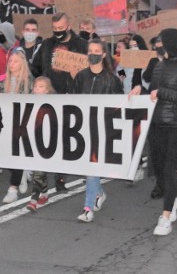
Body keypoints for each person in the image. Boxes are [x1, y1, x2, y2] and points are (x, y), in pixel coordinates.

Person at [145, 29, 177, 236]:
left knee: (169, 167)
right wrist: (141, 90)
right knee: (157, 167)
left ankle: (165, 217)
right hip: (156, 123)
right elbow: (152, 91)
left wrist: (161, 93)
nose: (159, 45)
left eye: (162, 42)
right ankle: (171, 198)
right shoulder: (158, 66)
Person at [31, 12, 88, 193]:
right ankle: (41, 182)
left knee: (65, 141)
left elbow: (90, 70)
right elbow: (35, 67)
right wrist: (42, 84)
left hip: (70, 98)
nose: (58, 32)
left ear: (69, 26)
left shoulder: (81, 45)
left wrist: (77, 76)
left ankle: (61, 178)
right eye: (55, 29)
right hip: (49, 99)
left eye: (61, 29)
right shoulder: (47, 45)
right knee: (47, 138)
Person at [74, 39, 123, 222]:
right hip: (83, 129)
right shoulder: (80, 76)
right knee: (88, 167)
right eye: (90, 50)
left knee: (91, 167)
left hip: (102, 130)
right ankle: (98, 193)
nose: (93, 53)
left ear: (103, 54)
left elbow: (118, 108)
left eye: (97, 51)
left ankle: (88, 208)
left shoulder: (112, 80)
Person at [0, 48, 32, 204]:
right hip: (6, 124)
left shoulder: (29, 82)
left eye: (16, 61)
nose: (12, 63)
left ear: (22, 63)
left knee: (16, 155)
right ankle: (22, 171)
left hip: (22, 125)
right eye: (10, 60)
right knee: (7, 156)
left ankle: (13, 188)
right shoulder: (1, 83)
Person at [26, 76, 56, 212]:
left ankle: (33, 200)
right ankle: (44, 192)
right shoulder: (28, 102)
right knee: (39, 170)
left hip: (47, 142)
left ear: (47, 90)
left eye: (41, 86)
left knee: (38, 170)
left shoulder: (53, 104)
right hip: (34, 140)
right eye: (36, 86)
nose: (37, 89)